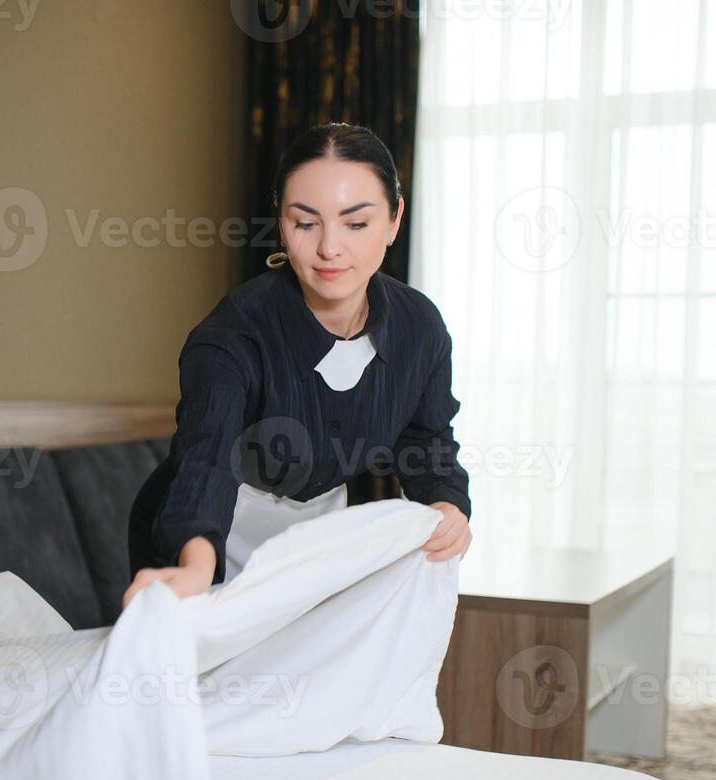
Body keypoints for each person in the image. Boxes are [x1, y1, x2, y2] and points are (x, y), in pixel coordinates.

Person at [124, 122, 472, 608]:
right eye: (306, 223)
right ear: (282, 223)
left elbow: (426, 440)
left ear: (394, 220)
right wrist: (195, 568)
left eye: (356, 223)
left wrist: (446, 506)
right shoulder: (233, 336)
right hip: (205, 532)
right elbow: (206, 456)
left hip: (318, 532)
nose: (330, 248)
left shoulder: (420, 329)